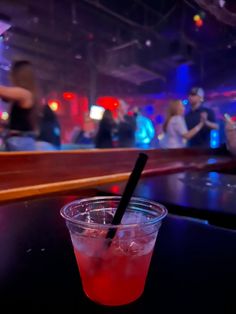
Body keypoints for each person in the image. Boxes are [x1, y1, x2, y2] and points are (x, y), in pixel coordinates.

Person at [0, 60, 39, 151]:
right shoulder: (26, 94)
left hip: (20, 143)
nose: (10, 77)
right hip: (18, 141)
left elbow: (3, 91)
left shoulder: (25, 94)